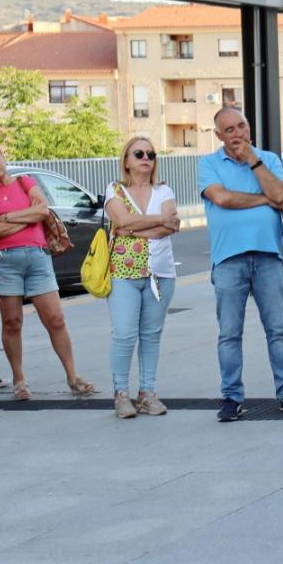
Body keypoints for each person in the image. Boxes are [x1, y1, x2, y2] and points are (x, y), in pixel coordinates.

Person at [200, 107, 283, 420]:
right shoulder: (209, 163)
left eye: (241, 126)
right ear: (219, 135)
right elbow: (222, 199)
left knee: (277, 329)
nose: (237, 134)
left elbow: (281, 194)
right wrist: (264, 200)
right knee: (229, 333)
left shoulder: (269, 159)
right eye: (230, 129)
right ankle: (232, 397)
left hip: (267, 255)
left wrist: (253, 160)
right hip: (228, 259)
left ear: (249, 127)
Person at [0, 143, 96, 401]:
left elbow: (43, 211)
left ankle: (72, 376)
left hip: (39, 259)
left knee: (55, 319)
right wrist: (27, 218)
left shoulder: (25, 182)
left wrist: (6, 217)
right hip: (4, 262)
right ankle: (19, 380)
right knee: (12, 322)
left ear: (3, 156)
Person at [105, 137, 180, 418]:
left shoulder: (164, 190)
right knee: (124, 334)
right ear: (127, 160)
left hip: (160, 272)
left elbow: (170, 225)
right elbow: (121, 221)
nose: (146, 157)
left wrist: (134, 229)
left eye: (150, 153)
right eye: (139, 153)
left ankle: (147, 392)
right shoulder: (115, 189)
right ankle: (121, 393)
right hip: (123, 272)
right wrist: (156, 221)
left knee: (151, 335)